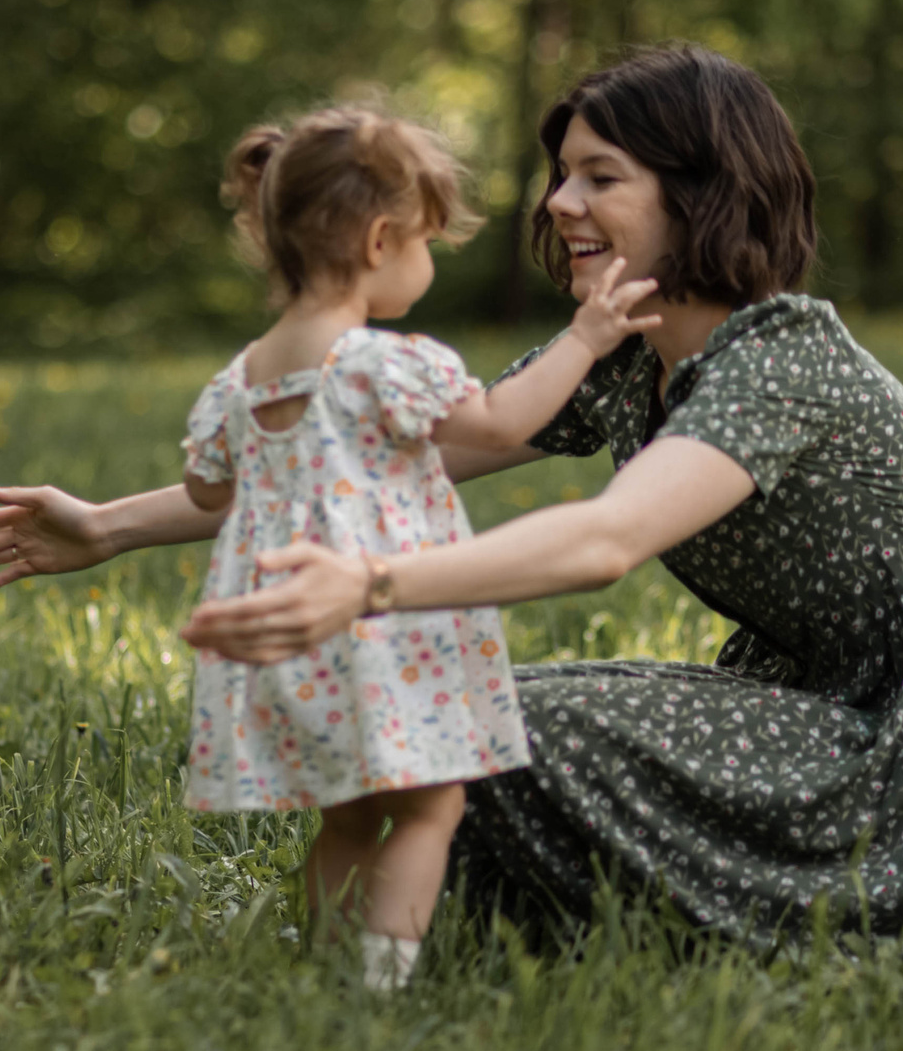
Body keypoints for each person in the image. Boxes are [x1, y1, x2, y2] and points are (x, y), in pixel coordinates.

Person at [0, 45, 903, 956]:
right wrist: (105, 526)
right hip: (821, 704)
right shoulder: (624, 356)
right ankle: (447, 947)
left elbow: (606, 541)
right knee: (473, 714)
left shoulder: (783, 356)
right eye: (561, 175)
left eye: (601, 178)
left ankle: (623, 935)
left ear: (703, 193)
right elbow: (358, 457)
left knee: (492, 725)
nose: (560, 204)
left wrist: (373, 585)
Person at [179, 108, 667, 988]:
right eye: (426, 242)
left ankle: (326, 962)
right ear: (378, 241)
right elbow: (507, 418)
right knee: (435, 804)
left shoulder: (240, 379)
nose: (429, 263)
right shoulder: (383, 363)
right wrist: (586, 338)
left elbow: (211, 491)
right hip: (385, 625)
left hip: (299, 634)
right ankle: (382, 978)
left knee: (348, 818)